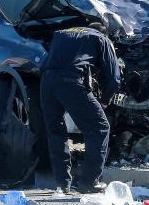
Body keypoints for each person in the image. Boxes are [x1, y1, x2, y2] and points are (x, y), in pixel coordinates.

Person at [39, 24, 121, 193]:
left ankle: (62, 184)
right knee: (99, 128)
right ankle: (90, 182)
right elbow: (114, 79)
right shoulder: (101, 38)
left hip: (46, 82)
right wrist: (105, 100)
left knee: (56, 131)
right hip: (71, 82)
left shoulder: (61, 32)